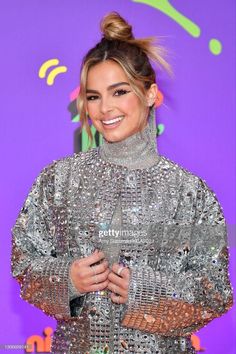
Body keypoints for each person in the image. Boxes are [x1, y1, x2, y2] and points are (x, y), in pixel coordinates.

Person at [11, 11, 233, 354]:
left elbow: (215, 291)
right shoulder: (57, 180)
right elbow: (23, 261)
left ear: (149, 94)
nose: (104, 108)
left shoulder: (190, 192)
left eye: (119, 91)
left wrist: (146, 293)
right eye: (94, 95)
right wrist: (67, 279)